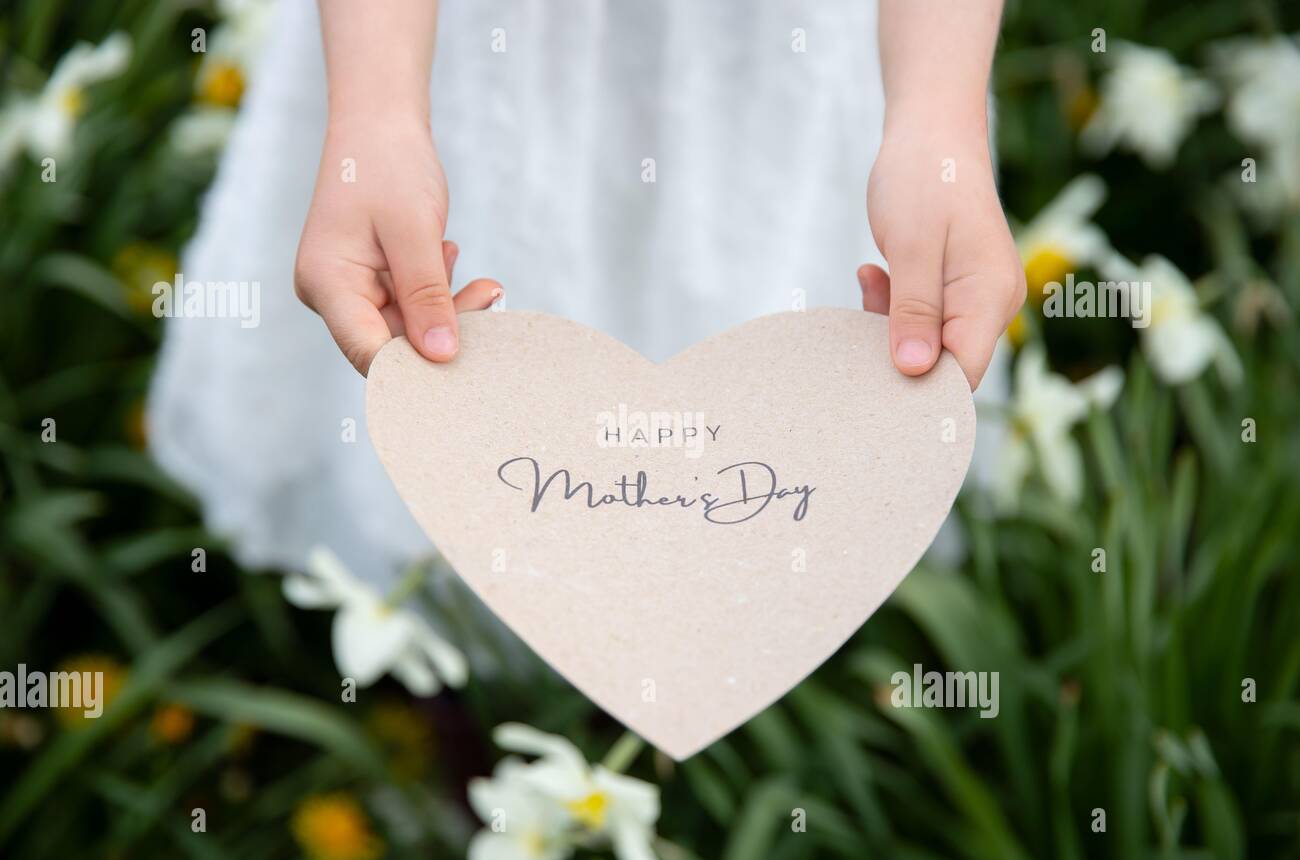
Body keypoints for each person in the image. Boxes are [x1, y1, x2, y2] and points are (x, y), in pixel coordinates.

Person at [149, 0, 1024, 585]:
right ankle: (470, 730)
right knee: (446, 450)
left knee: (773, 495)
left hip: (797, 46)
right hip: (452, 49)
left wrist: (936, 123)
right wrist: (373, 116)